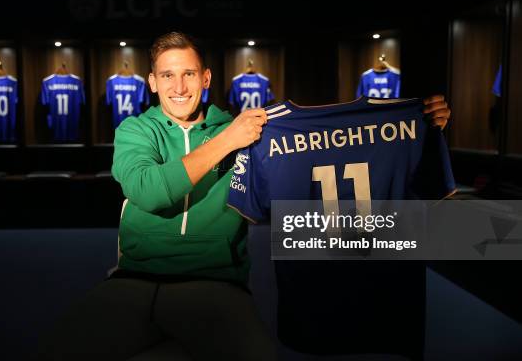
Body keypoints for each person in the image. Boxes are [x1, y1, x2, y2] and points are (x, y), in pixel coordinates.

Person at [37, 31, 451, 360]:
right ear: (152, 82)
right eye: (167, 75)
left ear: (206, 78)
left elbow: (329, 144)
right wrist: (226, 141)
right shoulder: (135, 131)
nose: (178, 86)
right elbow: (149, 192)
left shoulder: (250, 132)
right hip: (132, 281)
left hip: (214, 286)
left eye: (188, 74)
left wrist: (413, 124)